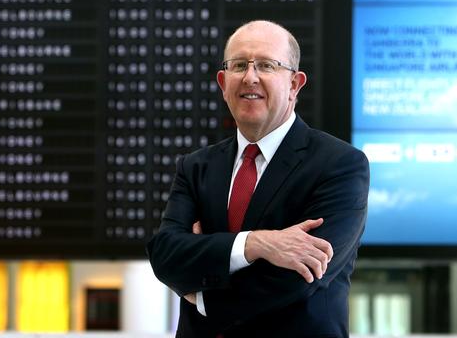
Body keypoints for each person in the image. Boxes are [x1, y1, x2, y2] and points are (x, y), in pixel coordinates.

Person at [147, 20, 369, 337]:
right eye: (239, 65)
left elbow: (300, 278)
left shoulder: (340, 165)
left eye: (266, 65)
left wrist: (201, 294)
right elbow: (165, 254)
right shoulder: (196, 167)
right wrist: (256, 244)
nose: (250, 77)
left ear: (295, 84)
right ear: (223, 83)